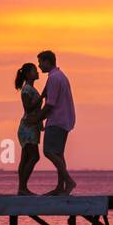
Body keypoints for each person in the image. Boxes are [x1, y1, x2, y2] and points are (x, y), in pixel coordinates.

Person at [38, 50, 76, 195]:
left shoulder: (54, 78)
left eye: (41, 62)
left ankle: (68, 181)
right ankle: (61, 187)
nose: (39, 65)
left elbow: (50, 104)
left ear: (47, 62)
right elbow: (45, 95)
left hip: (57, 120)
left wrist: (37, 119)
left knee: (48, 151)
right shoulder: (58, 76)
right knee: (59, 154)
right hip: (64, 119)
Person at [14, 63, 43, 194]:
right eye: (34, 71)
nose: (37, 73)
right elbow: (28, 108)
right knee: (34, 157)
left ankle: (22, 188)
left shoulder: (30, 89)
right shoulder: (27, 90)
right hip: (28, 127)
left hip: (31, 126)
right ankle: (22, 187)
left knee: (25, 158)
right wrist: (42, 97)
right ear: (27, 74)